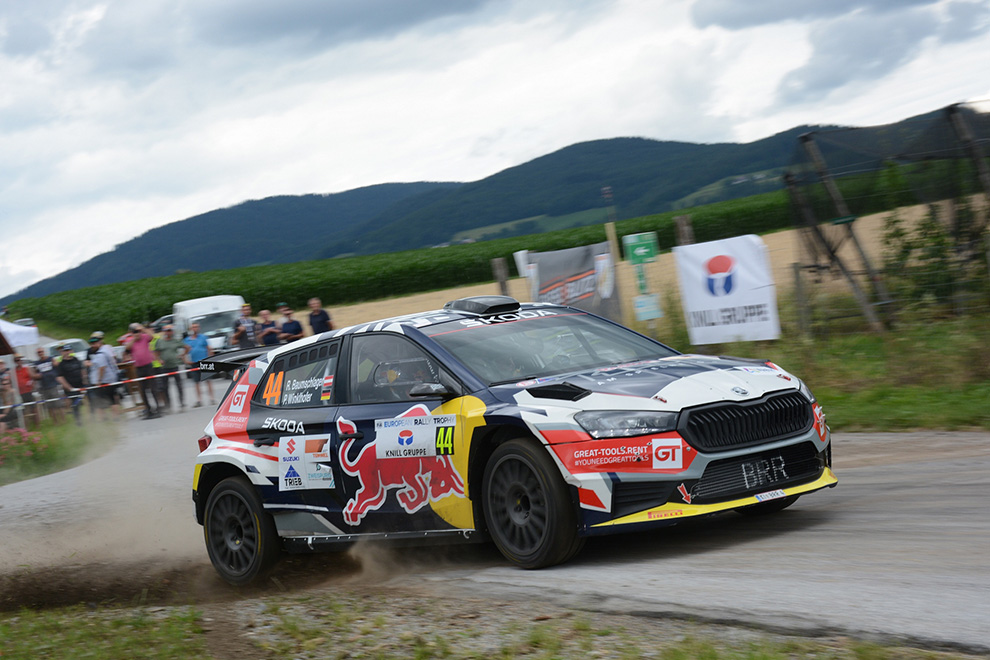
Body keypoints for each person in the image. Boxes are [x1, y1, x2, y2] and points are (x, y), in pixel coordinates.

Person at [125, 323, 161, 419]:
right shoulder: (130, 340)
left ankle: (158, 408)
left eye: (137, 331)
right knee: (143, 390)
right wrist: (134, 338)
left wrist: (143, 329)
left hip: (148, 366)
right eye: (134, 331)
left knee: (153, 388)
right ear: (131, 332)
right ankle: (148, 410)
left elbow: (152, 336)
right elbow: (127, 348)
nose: (137, 333)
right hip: (139, 368)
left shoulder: (144, 337)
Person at [87, 333, 121, 420]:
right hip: (109, 378)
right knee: (111, 398)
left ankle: (108, 417)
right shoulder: (105, 350)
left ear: (99, 342)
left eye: (95, 343)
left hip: (105, 380)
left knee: (104, 399)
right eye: (92, 343)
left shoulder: (101, 354)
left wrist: (99, 380)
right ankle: (114, 417)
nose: (93, 345)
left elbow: (102, 368)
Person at [154, 324, 187, 412]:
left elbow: (187, 347)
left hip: (175, 366)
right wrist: (159, 360)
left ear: (172, 332)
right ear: (164, 332)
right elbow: (156, 352)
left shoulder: (175, 341)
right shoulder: (160, 342)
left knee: (179, 385)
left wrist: (182, 355)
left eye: (170, 330)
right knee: (165, 387)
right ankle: (168, 406)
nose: (168, 332)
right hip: (165, 367)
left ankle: (182, 404)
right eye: (167, 331)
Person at [183, 322, 215, 407]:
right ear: (190, 329)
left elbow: (209, 349)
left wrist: (210, 359)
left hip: (204, 361)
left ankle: (212, 398)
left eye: (196, 327)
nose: (195, 329)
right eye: (193, 327)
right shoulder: (187, 340)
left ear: (199, 328)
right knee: (196, 382)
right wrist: (186, 361)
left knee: (208, 380)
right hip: (194, 362)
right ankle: (199, 400)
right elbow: (184, 352)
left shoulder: (203, 337)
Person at [55, 344, 86, 426]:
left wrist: (84, 380)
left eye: (68, 350)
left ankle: (92, 417)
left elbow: (82, 370)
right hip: (71, 388)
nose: (67, 352)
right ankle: (78, 421)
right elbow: (59, 378)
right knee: (76, 404)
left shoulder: (76, 360)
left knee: (85, 401)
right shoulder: (61, 364)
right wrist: (68, 387)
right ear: (62, 353)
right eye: (65, 351)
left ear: (72, 351)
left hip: (81, 385)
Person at [34, 347, 64, 424]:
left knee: (58, 404)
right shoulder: (37, 363)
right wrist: (37, 375)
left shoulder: (50, 359)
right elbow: (35, 373)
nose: (40, 353)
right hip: (44, 386)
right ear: (37, 354)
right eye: (39, 352)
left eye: (41, 351)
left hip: (54, 384)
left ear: (44, 352)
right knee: (50, 406)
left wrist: (57, 360)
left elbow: (57, 365)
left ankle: (63, 419)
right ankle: (55, 422)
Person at [13, 355, 39, 427]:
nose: (19, 362)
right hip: (20, 393)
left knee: (33, 408)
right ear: (15, 362)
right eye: (17, 360)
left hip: (29, 391)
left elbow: (33, 377)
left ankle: (37, 425)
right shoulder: (13, 371)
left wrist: (32, 384)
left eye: (20, 360)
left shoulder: (27, 368)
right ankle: (26, 426)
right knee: (23, 410)